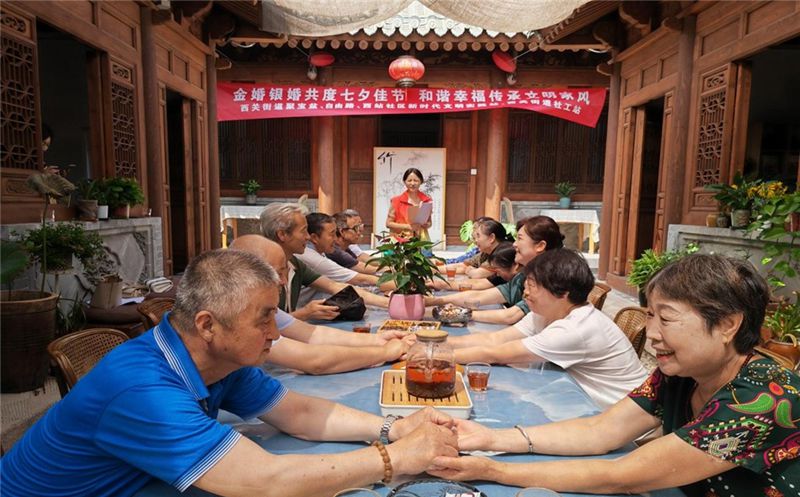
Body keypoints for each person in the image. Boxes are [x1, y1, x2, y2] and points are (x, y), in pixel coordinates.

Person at [1, 250, 458, 497]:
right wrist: (394, 459)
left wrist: (394, 427)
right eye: (264, 318)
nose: (274, 333)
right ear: (208, 325)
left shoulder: (220, 360)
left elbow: (299, 414)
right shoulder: (141, 389)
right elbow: (263, 481)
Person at [431, 254, 799, 496]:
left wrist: (492, 470)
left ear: (728, 325)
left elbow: (623, 474)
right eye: (650, 315)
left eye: (666, 318)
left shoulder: (761, 399)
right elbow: (602, 430)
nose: (652, 334)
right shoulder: (683, 373)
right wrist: (490, 437)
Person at [449, 249, 648, 409]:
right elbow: (494, 340)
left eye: (532, 286)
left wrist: (438, 356)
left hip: (620, 420)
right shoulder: (545, 312)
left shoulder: (575, 328)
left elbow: (495, 353)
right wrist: (439, 342)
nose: (525, 293)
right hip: (577, 403)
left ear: (562, 293)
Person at [230, 235, 412, 374]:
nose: (284, 281)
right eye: (278, 273)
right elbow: (312, 360)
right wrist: (385, 352)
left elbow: (313, 333)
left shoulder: (264, 308)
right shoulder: (237, 316)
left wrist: (379, 340)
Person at [260, 203, 388, 320]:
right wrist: (304, 313)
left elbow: (334, 286)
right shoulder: (259, 271)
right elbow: (263, 323)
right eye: (303, 231)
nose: (308, 237)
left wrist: (389, 303)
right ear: (282, 235)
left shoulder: (294, 263)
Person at [430, 216, 564, 325]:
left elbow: (511, 316)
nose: (514, 244)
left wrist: (460, 314)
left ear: (540, 246)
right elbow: (478, 296)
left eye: (519, 238)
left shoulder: (550, 279)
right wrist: (433, 301)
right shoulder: (522, 276)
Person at [296, 213, 390, 306]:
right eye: (355, 228)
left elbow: (363, 260)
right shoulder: (313, 257)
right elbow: (360, 279)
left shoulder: (322, 250)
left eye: (360, 226)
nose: (335, 238)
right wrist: (389, 300)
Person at [386, 167, 432, 241]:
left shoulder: (426, 200)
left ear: (421, 181)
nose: (412, 183)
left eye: (416, 180)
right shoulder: (396, 201)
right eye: (409, 180)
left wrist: (426, 224)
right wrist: (408, 227)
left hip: (420, 240)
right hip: (400, 240)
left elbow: (429, 222)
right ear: (404, 182)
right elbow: (388, 224)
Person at [331, 210, 378, 274]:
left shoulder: (347, 249)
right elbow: (361, 268)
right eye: (355, 228)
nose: (359, 232)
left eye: (360, 227)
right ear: (342, 231)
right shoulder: (335, 251)